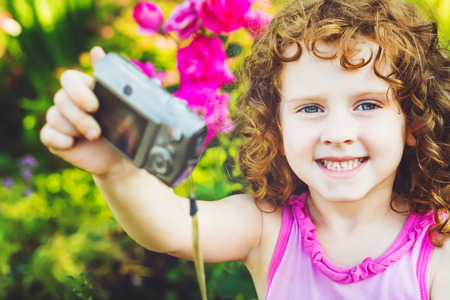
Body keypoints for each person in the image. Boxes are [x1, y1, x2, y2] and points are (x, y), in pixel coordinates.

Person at [40, 0, 449, 298]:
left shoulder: (439, 246)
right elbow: (172, 227)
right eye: (310, 107)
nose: (338, 132)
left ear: (412, 122)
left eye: (367, 104)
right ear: (277, 126)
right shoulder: (267, 227)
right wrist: (116, 170)